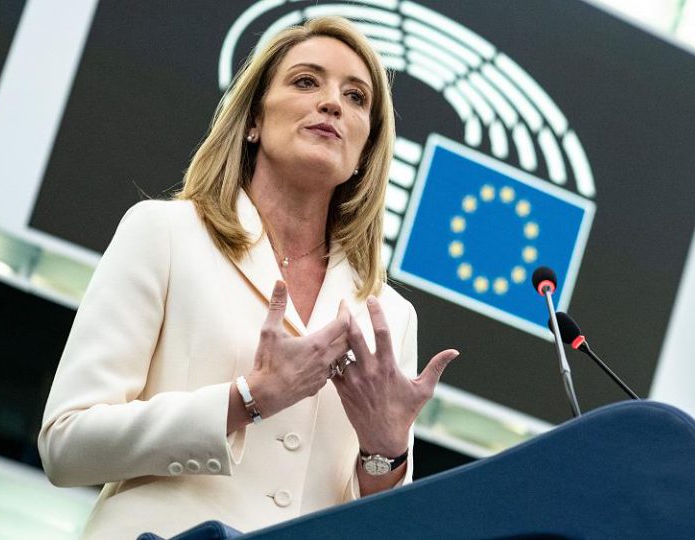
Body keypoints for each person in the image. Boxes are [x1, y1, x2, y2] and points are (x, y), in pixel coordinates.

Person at [38, 16, 458, 539]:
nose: (332, 103)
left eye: (356, 97)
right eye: (306, 81)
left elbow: (384, 526)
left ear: (364, 152)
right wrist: (247, 399)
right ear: (254, 119)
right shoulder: (166, 233)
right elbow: (66, 444)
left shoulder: (390, 315)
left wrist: (386, 451)